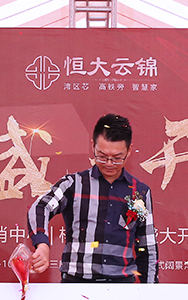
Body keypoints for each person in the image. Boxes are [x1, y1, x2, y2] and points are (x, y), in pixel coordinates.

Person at [27, 113, 158, 282]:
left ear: (129, 150)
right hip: (76, 283)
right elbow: (40, 207)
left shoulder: (139, 192)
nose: (109, 163)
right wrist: (42, 244)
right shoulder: (73, 184)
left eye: (117, 158)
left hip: (121, 286)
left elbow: (147, 247)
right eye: (102, 156)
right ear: (93, 146)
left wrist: (150, 291)